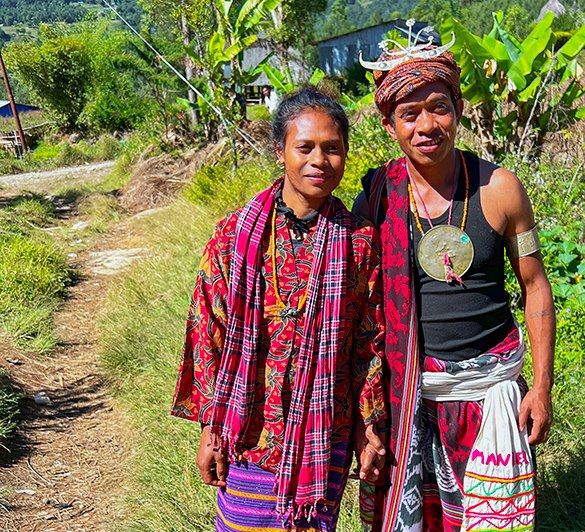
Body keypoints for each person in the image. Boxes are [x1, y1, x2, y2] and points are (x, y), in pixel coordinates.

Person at [355, 24, 556, 532]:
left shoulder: (500, 189)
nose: (427, 124)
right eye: (409, 114)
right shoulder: (378, 198)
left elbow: (535, 286)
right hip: (409, 401)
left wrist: (542, 387)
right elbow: (357, 308)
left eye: (439, 107)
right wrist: (364, 415)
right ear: (389, 124)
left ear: (459, 109)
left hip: (491, 395)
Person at [171, 87, 387, 531]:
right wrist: (211, 432)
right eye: (304, 147)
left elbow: (369, 345)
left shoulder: (360, 242)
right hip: (249, 431)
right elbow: (207, 333)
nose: (319, 161)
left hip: (323, 432)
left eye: (332, 149)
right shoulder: (236, 233)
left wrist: (370, 429)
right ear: (280, 151)